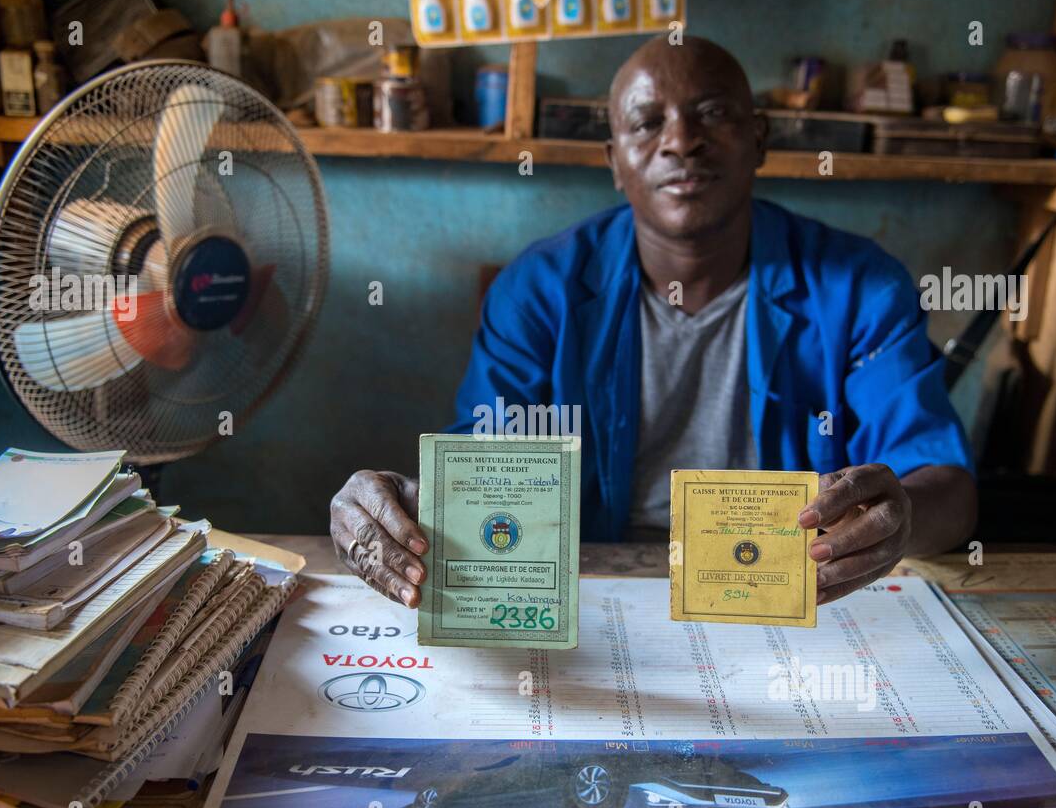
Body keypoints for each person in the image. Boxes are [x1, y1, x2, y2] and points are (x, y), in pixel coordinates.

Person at [330, 34, 977, 609]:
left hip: (798, 600)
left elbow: (944, 485)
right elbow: (485, 471)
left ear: (759, 139)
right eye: (647, 123)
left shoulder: (860, 287)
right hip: (595, 596)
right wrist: (408, 504)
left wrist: (902, 517)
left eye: (714, 114)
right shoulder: (539, 290)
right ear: (614, 162)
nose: (680, 140)